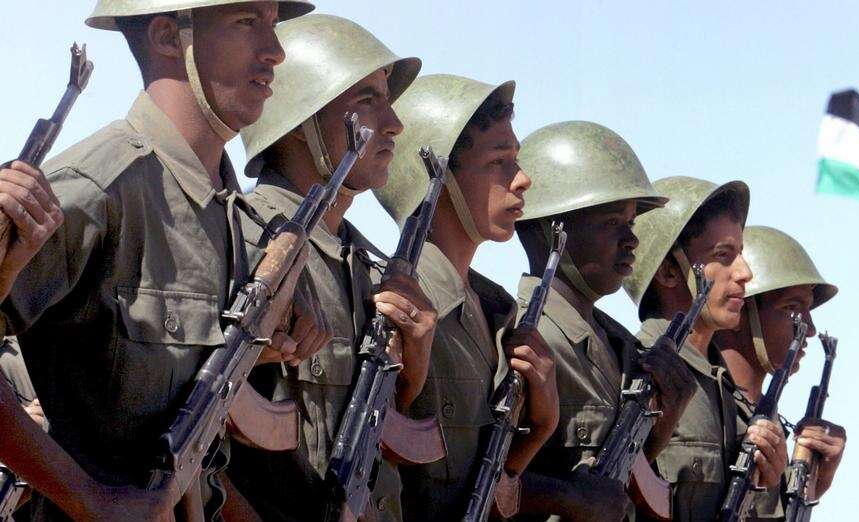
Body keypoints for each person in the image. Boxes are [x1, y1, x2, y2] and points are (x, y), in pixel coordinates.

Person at [0, 1, 326, 518]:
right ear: (168, 37)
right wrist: (86, 498)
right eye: (247, 22)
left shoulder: (238, 220)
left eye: (272, 24)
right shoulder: (96, 189)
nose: (275, 51)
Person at [226, 14, 438, 521]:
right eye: (368, 100)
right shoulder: (243, 239)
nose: (394, 123)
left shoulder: (371, 268)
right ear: (302, 120)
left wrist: (415, 363)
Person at [374, 74, 559, 521]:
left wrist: (539, 430)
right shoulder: (390, 300)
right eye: (499, 162)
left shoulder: (495, 313)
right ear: (436, 177)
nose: (522, 180)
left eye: (516, 160)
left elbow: (485, 487)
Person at [512, 121, 694, 521]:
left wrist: (661, 427)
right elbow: (480, 478)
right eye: (612, 222)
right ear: (551, 230)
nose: (632, 240)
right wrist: (564, 497)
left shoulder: (620, 346)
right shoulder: (526, 335)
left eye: (631, 223)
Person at [623, 176, 787, 521]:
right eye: (723, 256)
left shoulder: (727, 394)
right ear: (669, 271)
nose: (745, 273)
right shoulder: (633, 368)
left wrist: (768, 484)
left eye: (740, 254)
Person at [713, 226, 847, 506]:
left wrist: (814, 485)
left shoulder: (772, 426)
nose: (809, 328)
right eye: (792, 308)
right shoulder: (699, 401)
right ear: (739, 309)